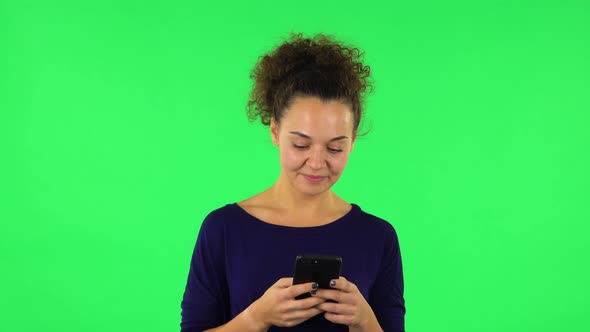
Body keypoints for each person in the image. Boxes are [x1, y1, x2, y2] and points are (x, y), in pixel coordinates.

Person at [180, 32, 405, 332]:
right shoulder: (222, 230)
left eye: (335, 147)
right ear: (274, 131)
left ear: (352, 142)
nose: (316, 162)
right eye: (301, 144)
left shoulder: (378, 237)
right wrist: (256, 318)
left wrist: (365, 321)